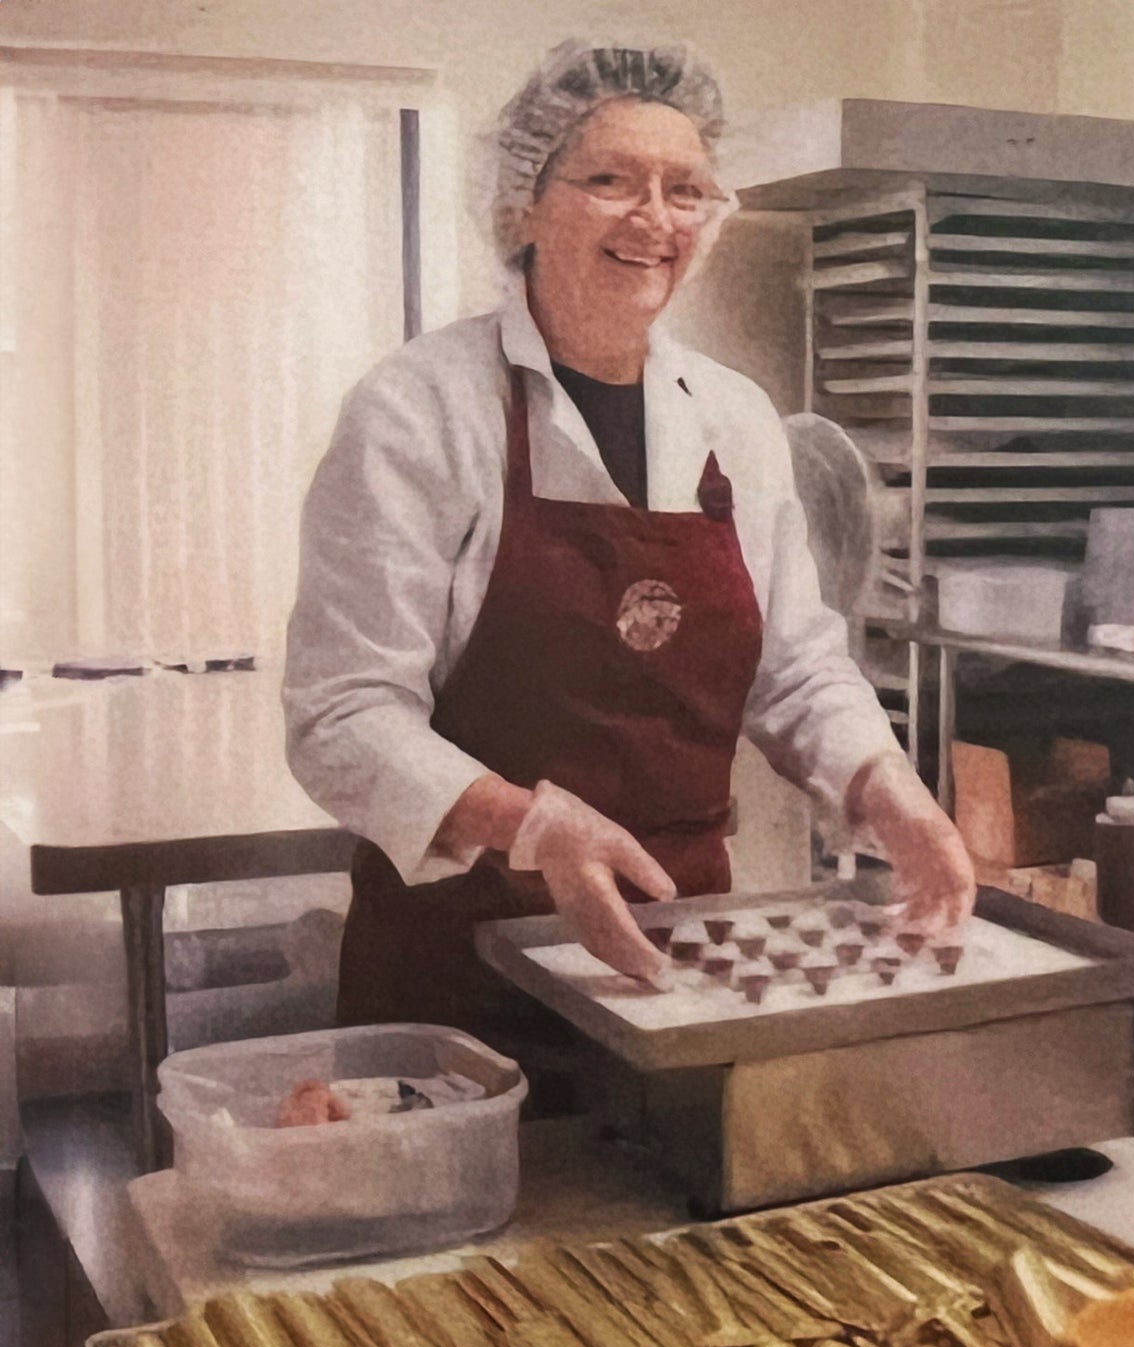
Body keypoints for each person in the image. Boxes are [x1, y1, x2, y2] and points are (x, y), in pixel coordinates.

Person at [283, 40, 974, 1049]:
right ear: (522, 205)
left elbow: (795, 670)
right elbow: (342, 714)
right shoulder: (420, 410)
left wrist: (889, 789)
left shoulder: (734, 420)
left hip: (680, 961)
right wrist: (529, 824)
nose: (655, 218)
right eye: (610, 181)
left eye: (684, 190)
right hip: (460, 969)